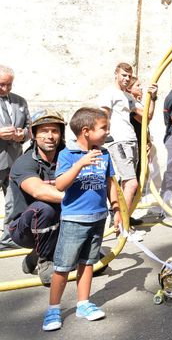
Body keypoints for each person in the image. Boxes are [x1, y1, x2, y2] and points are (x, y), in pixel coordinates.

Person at [42, 107, 121, 331]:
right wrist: (80, 164)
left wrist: (115, 210)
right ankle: (53, 309)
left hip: (98, 217)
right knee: (63, 266)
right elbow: (60, 185)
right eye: (103, 128)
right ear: (86, 131)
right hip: (75, 219)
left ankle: (83, 304)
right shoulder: (68, 155)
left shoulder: (104, 154)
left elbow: (109, 184)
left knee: (88, 262)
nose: (107, 132)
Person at [6, 110, 66, 284]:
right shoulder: (24, 162)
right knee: (44, 208)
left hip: (58, 219)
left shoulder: (68, 157)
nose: (50, 136)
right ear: (34, 134)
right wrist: (79, 200)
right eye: (44, 131)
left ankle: (35, 256)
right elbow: (39, 191)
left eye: (55, 131)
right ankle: (45, 260)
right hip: (23, 228)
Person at [98, 63, 156, 227]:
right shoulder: (109, 93)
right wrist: (104, 133)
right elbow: (103, 113)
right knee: (131, 183)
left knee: (128, 182)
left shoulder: (127, 96)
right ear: (116, 74)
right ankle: (122, 225)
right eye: (124, 75)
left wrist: (153, 97)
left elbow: (146, 116)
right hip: (119, 140)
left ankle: (123, 222)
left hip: (131, 140)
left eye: (129, 76)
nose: (126, 79)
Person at [0, 64, 31, 249]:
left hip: (14, 161)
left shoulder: (20, 101)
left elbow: (31, 128)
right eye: (1, 85)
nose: (5, 89)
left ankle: (8, 239)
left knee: (13, 202)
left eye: (9, 85)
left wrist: (23, 135)